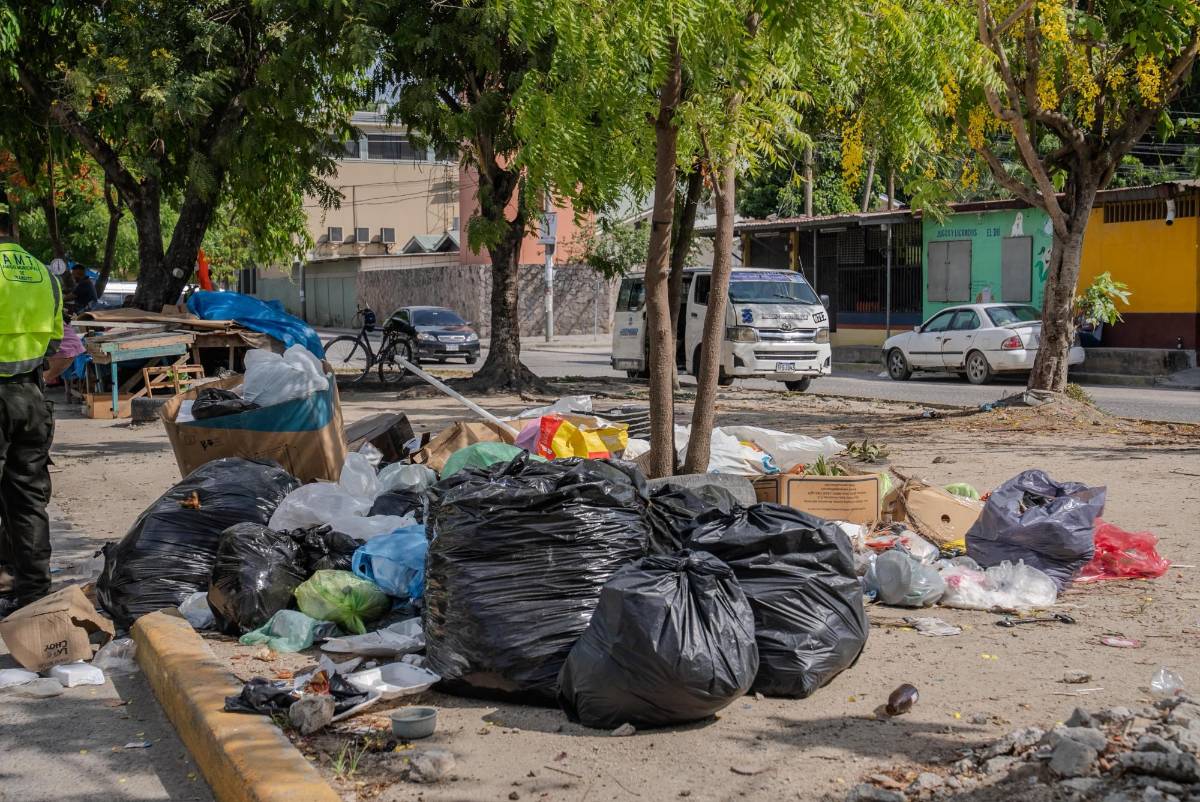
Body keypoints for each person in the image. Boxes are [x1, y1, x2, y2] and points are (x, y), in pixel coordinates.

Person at [0, 196, 63, 616]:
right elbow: (54, 343)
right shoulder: (44, 274)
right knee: (27, 501)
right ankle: (34, 599)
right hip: (31, 398)